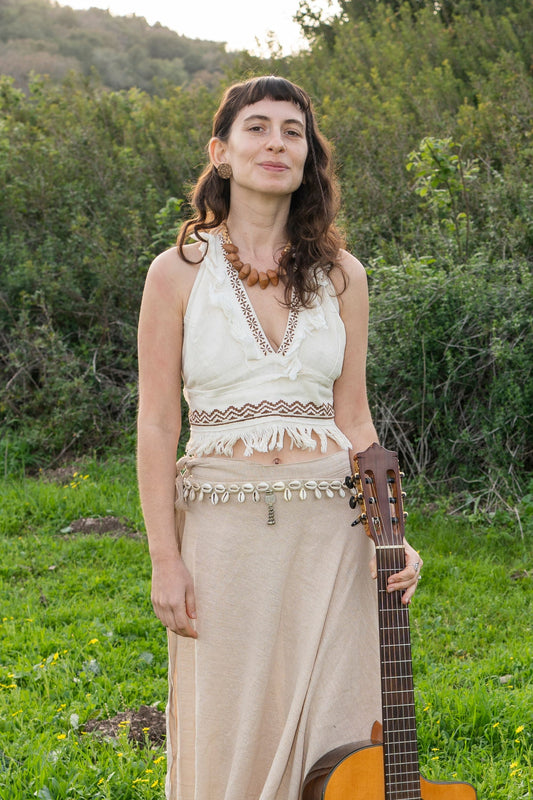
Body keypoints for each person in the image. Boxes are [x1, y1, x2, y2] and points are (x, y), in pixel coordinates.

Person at [137, 75, 422, 800]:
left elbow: (354, 418)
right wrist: (164, 560)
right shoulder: (175, 274)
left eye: (292, 132)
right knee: (231, 724)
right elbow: (158, 423)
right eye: (257, 127)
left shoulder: (342, 276)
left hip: (330, 530)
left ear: (308, 158)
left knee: (334, 723)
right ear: (221, 152)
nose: (275, 143)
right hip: (221, 531)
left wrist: (390, 535)